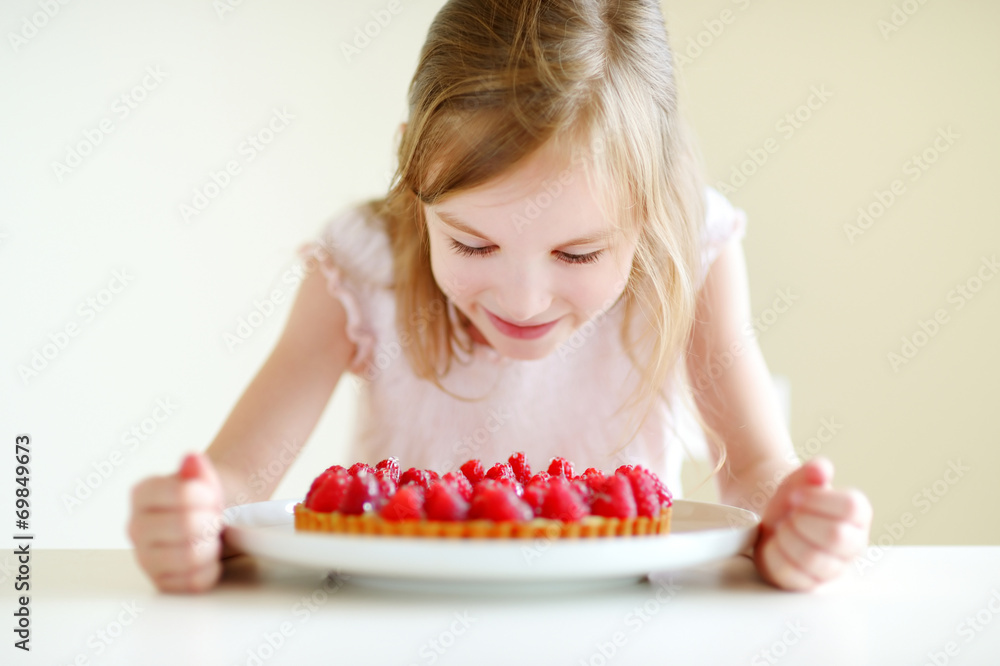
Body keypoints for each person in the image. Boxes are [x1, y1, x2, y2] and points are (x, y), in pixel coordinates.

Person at [128, 0, 871, 593]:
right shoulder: (361, 263)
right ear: (413, 176)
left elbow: (752, 468)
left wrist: (796, 519)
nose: (523, 298)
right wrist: (192, 518)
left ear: (654, 206)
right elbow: (239, 481)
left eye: (579, 252)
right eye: (473, 244)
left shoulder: (693, 250)